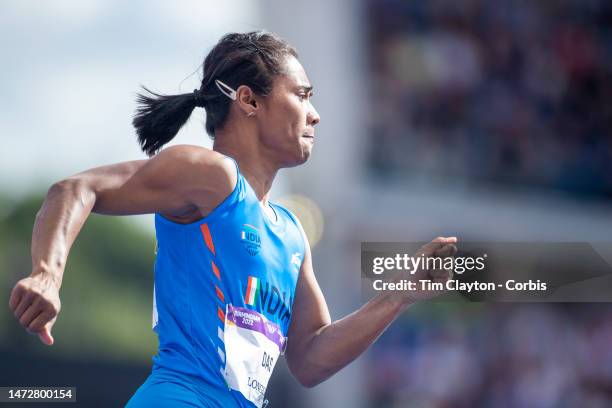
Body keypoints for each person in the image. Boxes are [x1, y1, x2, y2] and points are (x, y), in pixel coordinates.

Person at [8, 31, 457, 408]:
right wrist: (47, 273)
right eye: (301, 96)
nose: (314, 114)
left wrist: (400, 294)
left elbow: (310, 357)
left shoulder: (290, 232)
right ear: (248, 100)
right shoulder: (211, 176)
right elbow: (74, 189)